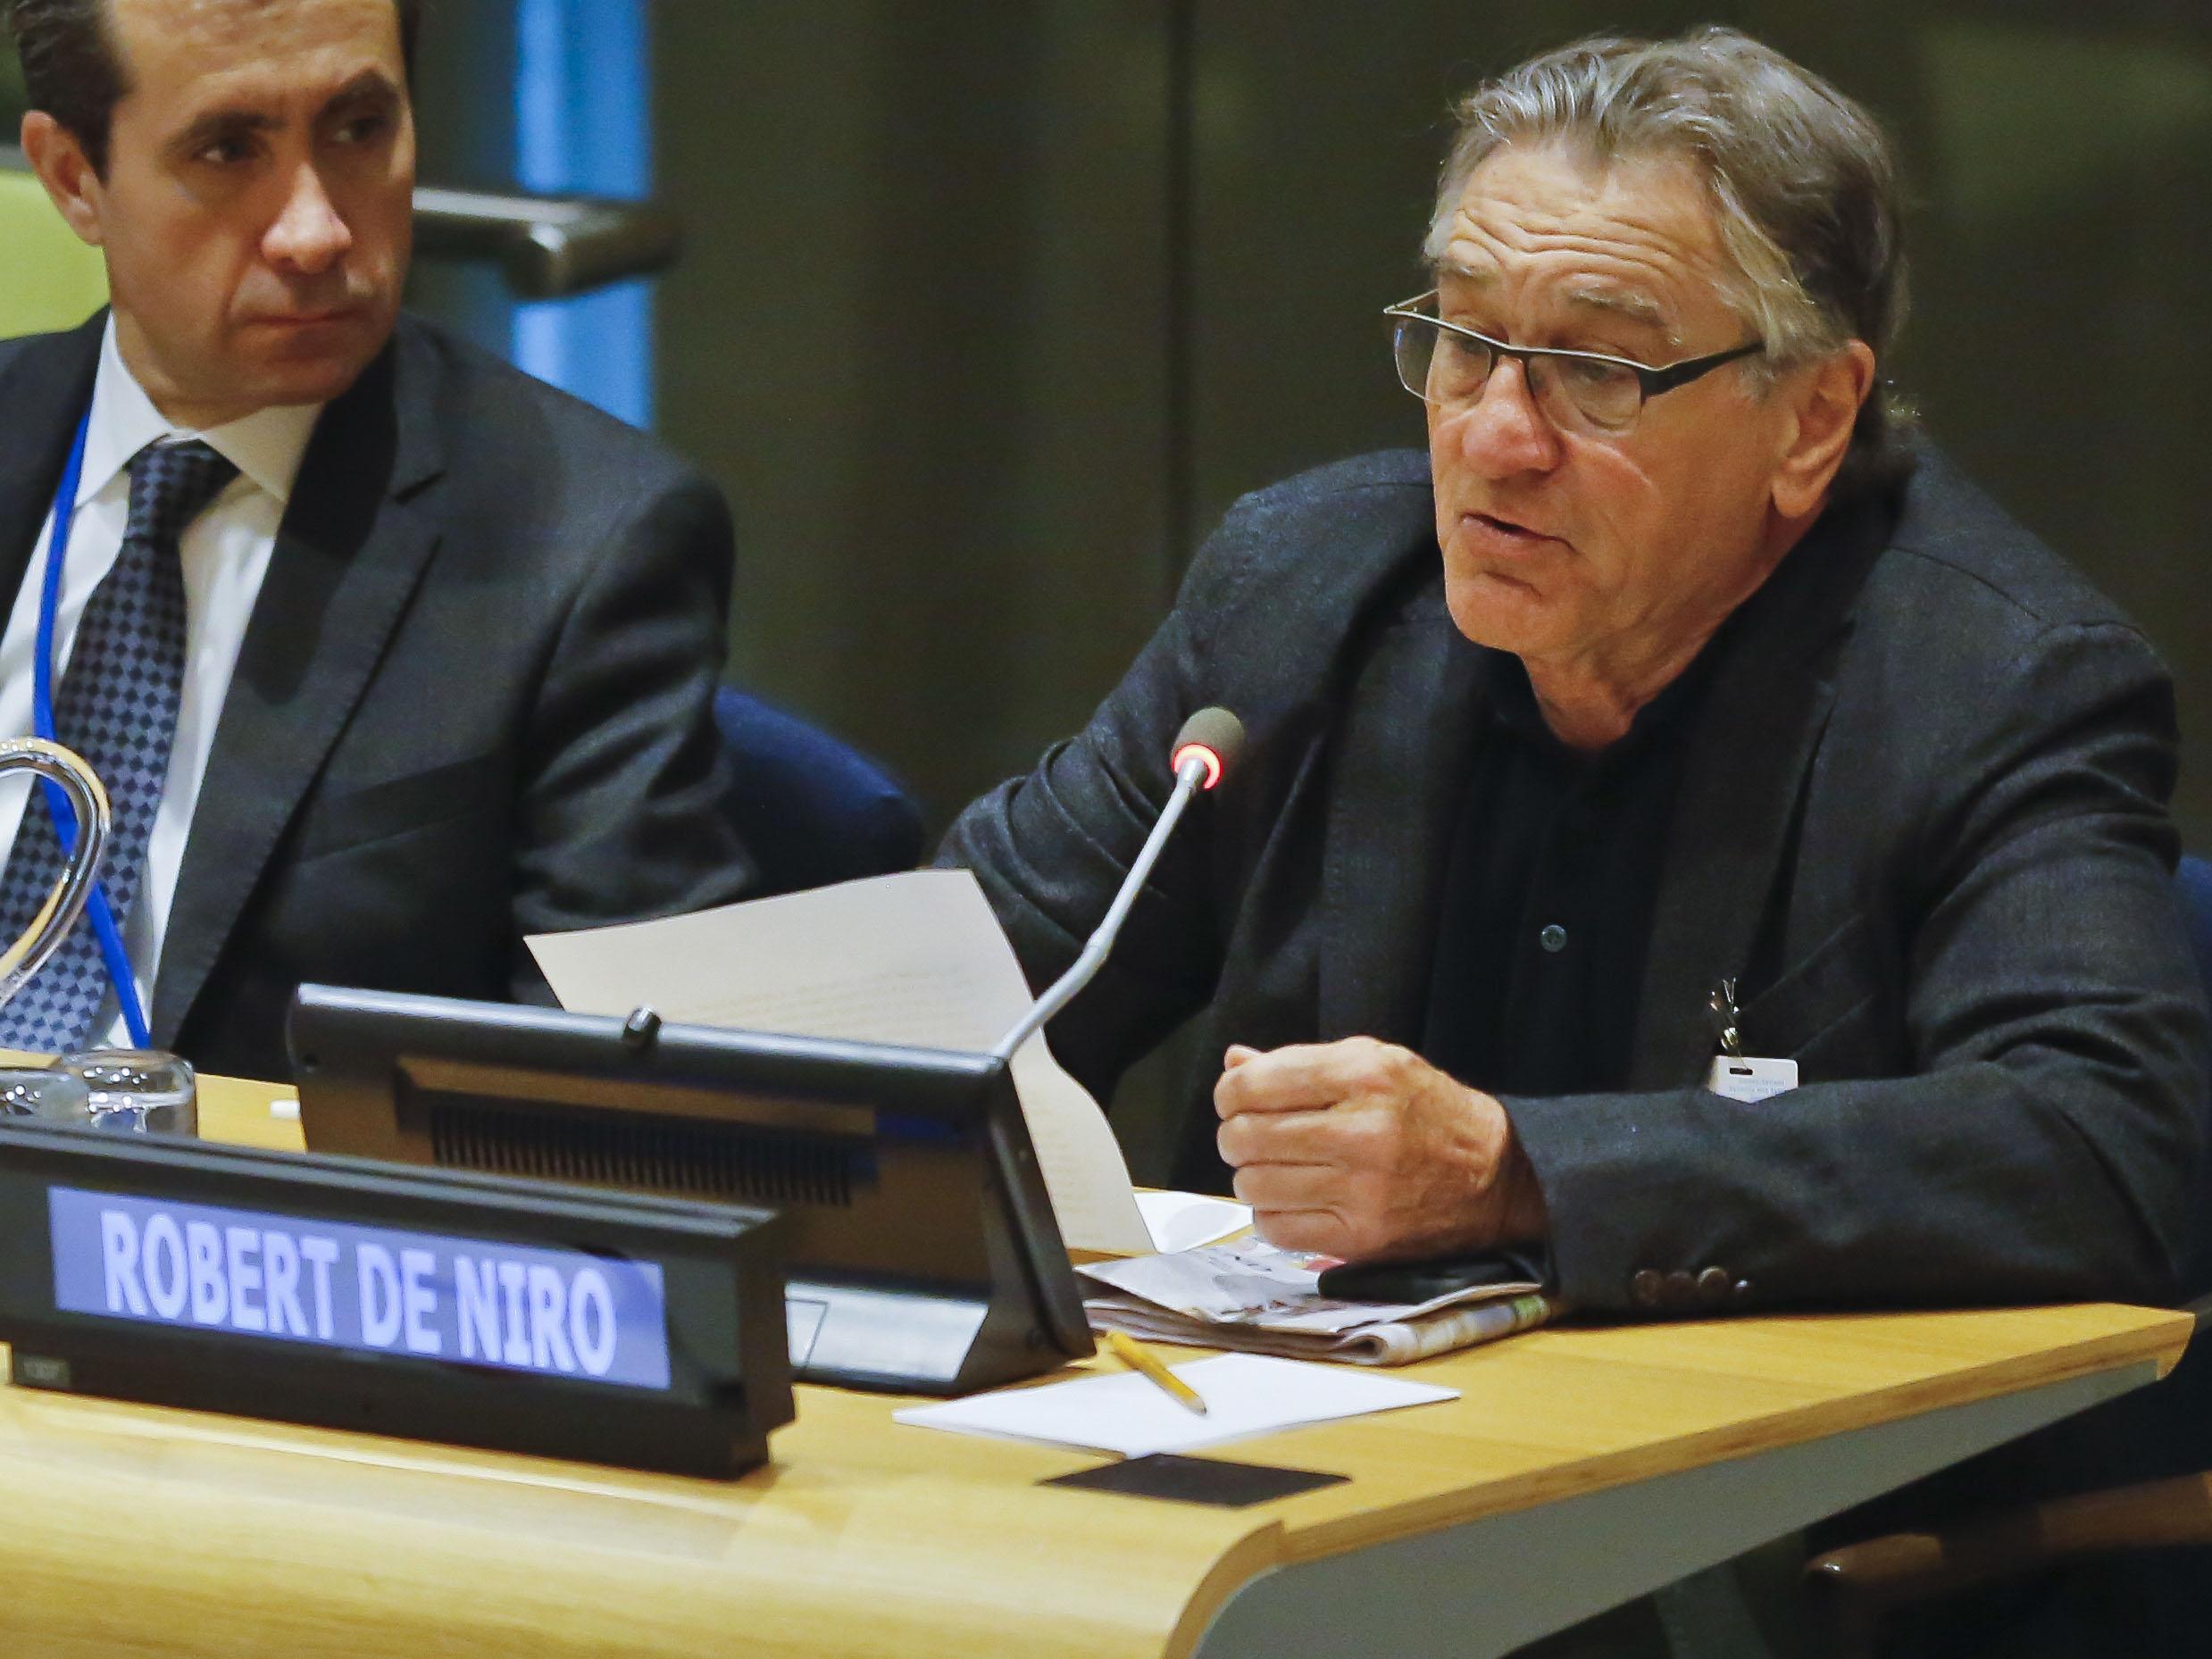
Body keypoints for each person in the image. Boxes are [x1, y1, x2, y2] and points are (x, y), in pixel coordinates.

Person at [943, 28, 2208, 1320]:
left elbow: (2107, 1154)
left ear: (1811, 416)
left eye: (1597, 371)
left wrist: (1522, 1173)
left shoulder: (1993, 683)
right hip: (1280, 1436)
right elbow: (945, 998)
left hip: (1748, 1483)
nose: (1495, 435)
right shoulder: (1296, 591)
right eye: (1463, 339)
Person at [0, 0, 750, 1080]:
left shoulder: (583, 545)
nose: (316, 230)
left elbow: (618, 1114)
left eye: (357, 129)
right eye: (228, 149)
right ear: (74, 178)